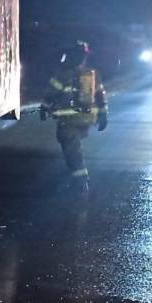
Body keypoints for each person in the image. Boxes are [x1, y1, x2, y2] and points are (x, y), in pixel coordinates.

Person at [42, 40, 108, 191]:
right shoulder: (93, 74)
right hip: (87, 118)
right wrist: (104, 115)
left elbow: (50, 94)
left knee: (72, 150)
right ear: (85, 57)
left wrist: (44, 108)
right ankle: (79, 177)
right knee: (75, 147)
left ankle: (81, 181)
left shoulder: (62, 75)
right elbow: (100, 96)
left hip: (68, 120)